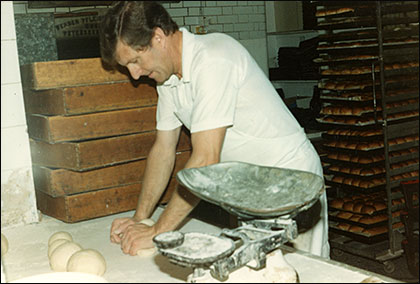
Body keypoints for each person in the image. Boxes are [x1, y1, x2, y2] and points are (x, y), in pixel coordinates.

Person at [99, 1, 330, 259]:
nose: (134, 74)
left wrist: (158, 231)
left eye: (135, 60)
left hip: (292, 183)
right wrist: (140, 220)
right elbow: (163, 150)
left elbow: (206, 160)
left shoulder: (213, 59)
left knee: (306, 272)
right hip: (249, 192)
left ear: (158, 37)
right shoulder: (168, 80)